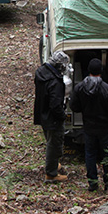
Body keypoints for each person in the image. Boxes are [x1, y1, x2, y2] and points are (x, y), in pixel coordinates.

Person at [69, 58, 108, 192]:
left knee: (90, 154)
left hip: (89, 126)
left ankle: (92, 182)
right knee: (107, 154)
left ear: (89, 71)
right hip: (105, 127)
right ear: (101, 71)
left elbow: (74, 106)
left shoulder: (80, 87)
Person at [34, 51, 70, 183]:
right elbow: (55, 104)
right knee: (54, 144)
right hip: (53, 118)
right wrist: (62, 115)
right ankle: (51, 173)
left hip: (42, 113)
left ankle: (54, 164)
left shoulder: (41, 72)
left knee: (49, 139)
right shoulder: (55, 81)